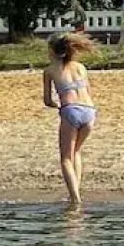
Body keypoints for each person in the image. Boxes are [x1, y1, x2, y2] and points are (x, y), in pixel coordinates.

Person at [42, 31, 97, 205]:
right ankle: (76, 191)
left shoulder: (50, 70)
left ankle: (75, 199)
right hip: (89, 112)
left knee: (65, 157)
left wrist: (58, 107)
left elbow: (47, 100)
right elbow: (88, 93)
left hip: (71, 111)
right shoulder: (81, 67)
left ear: (52, 51)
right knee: (76, 152)